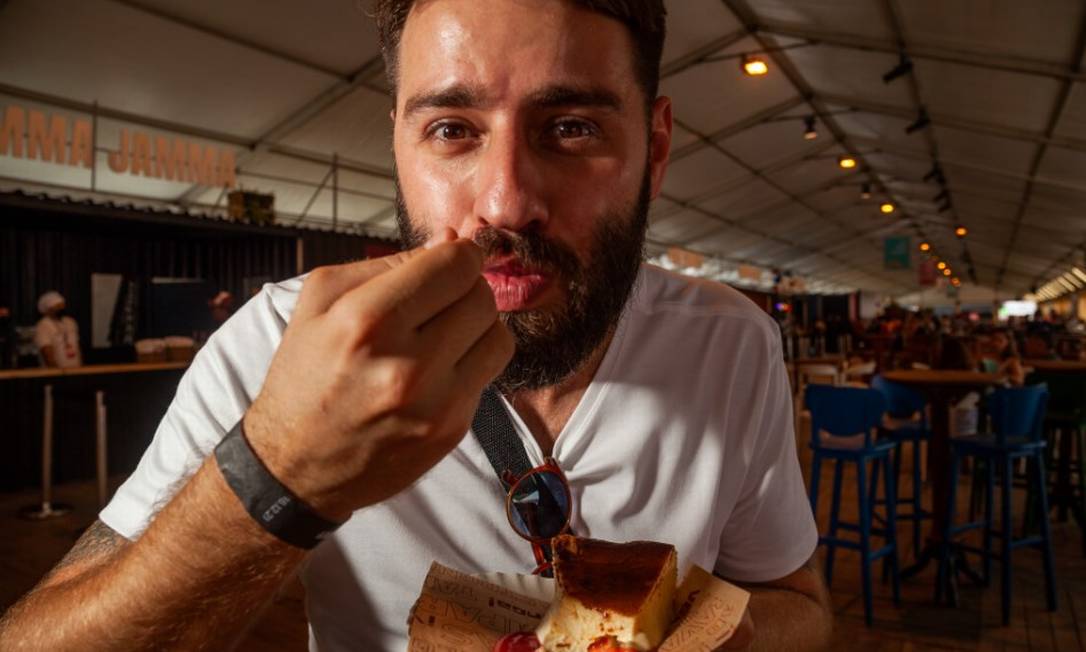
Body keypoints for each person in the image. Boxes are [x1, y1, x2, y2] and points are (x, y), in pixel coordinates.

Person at [0, 2, 832, 650]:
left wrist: (705, 636)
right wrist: (276, 476)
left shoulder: (731, 342)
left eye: (572, 128)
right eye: (452, 130)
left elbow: (799, 602)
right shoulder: (280, 343)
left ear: (654, 148)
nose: (506, 202)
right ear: (399, 147)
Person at [32, 291, 82, 368]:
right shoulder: (43, 326)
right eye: (57, 306)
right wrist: (57, 373)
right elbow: (47, 353)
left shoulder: (70, 322)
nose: (61, 308)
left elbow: (78, 348)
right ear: (48, 309)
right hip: (57, 374)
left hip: (76, 371)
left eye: (62, 305)